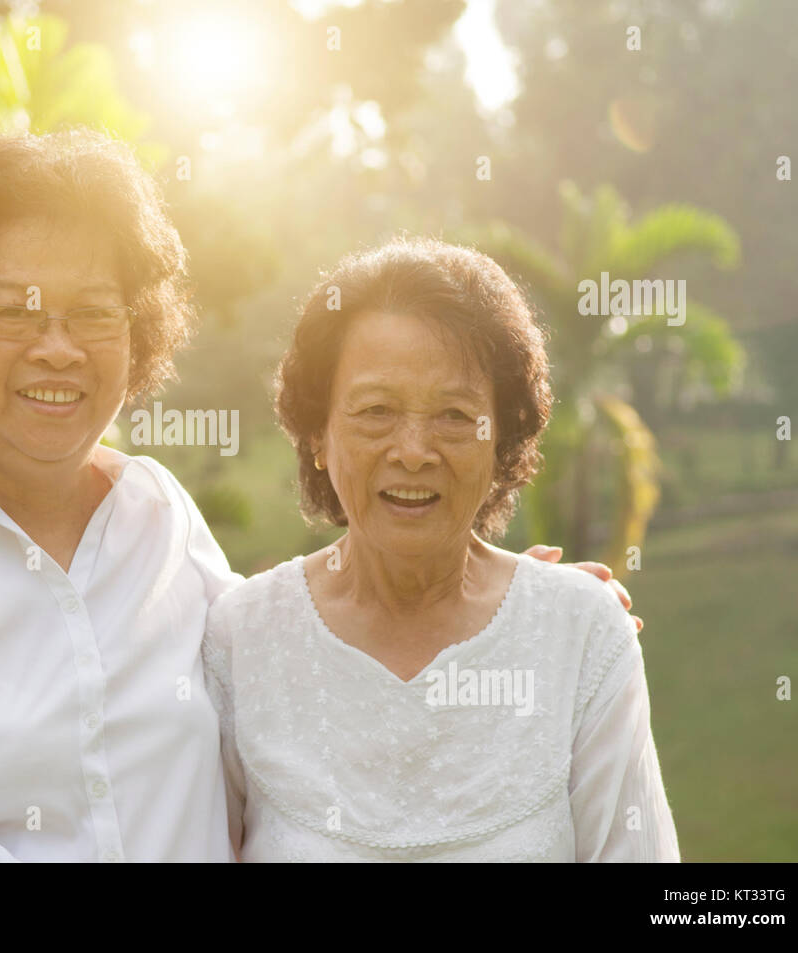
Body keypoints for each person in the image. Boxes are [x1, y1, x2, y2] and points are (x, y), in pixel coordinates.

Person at [0, 126, 638, 862]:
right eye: (15, 311)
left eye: (95, 312)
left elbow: (295, 650)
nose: (60, 348)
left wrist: (502, 602)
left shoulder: (156, 512)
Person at [203, 236, 679, 861]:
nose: (413, 450)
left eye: (455, 416)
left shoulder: (583, 633)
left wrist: (543, 610)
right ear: (318, 435)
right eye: (376, 410)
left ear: (501, 438)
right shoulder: (243, 637)